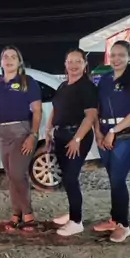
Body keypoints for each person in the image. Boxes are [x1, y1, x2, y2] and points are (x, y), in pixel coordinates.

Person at [93, 40, 130, 244]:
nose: (116, 59)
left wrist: (113, 131)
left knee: (118, 179)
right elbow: (98, 109)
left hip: (127, 135)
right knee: (113, 179)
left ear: (129, 56)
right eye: (113, 55)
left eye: (121, 55)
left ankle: (123, 225)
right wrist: (98, 133)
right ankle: (114, 219)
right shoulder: (105, 79)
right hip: (105, 134)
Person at [44, 48, 98, 237]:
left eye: (78, 61)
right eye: (70, 61)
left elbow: (90, 116)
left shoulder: (87, 87)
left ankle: (76, 221)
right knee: (66, 178)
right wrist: (48, 129)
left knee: (70, 178)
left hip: (76, 137)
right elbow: (55, 108)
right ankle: (73, 212)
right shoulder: (63, 85)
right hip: (60, 136)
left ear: (85, 64)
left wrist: (77, 139)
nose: (74, 65)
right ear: (65, 64)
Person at [0, 46, 42, 232]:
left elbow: (37, 110)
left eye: (13, 57)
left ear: (19, 61)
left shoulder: (27, 81)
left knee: (17, 174)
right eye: (5, 57)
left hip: (22, 131)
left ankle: (28, 214)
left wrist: (33, 135)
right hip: (2, 132)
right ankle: (16, 213)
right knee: (11, 176)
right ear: (1, 62)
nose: (9, 60)